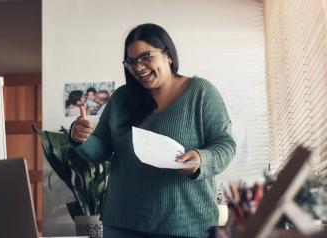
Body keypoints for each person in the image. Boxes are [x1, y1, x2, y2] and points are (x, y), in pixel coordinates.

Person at [69, 23, 236, 238]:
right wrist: (79, 138)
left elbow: (225, 145)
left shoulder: (201, 92)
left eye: (146, 57)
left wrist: (199, 160)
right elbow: (100, 150)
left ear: (168, 55)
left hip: (185, 223)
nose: (138, 67)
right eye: (131, 62)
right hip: (123, 223)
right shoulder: (121, 98)